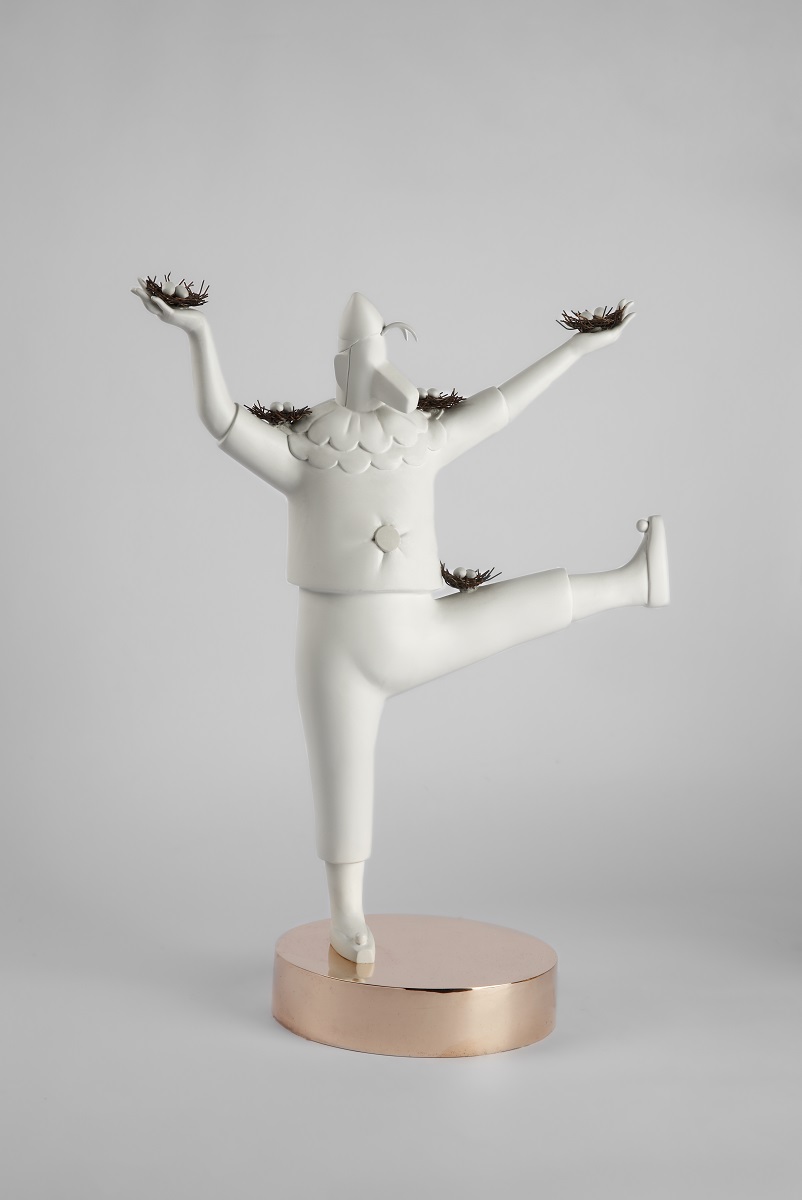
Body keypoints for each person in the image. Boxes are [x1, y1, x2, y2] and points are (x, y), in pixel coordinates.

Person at [132, 285, 669, 963]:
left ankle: (631, 583)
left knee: (511, 613)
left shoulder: (422, 439)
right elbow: (222, 419)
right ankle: (347, 915)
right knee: (342, 778)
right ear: (342, 367)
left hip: (414, 631)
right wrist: (199, 335)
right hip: (334, 649)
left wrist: (575, 348)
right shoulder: (303, 451)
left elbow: (504, 405)